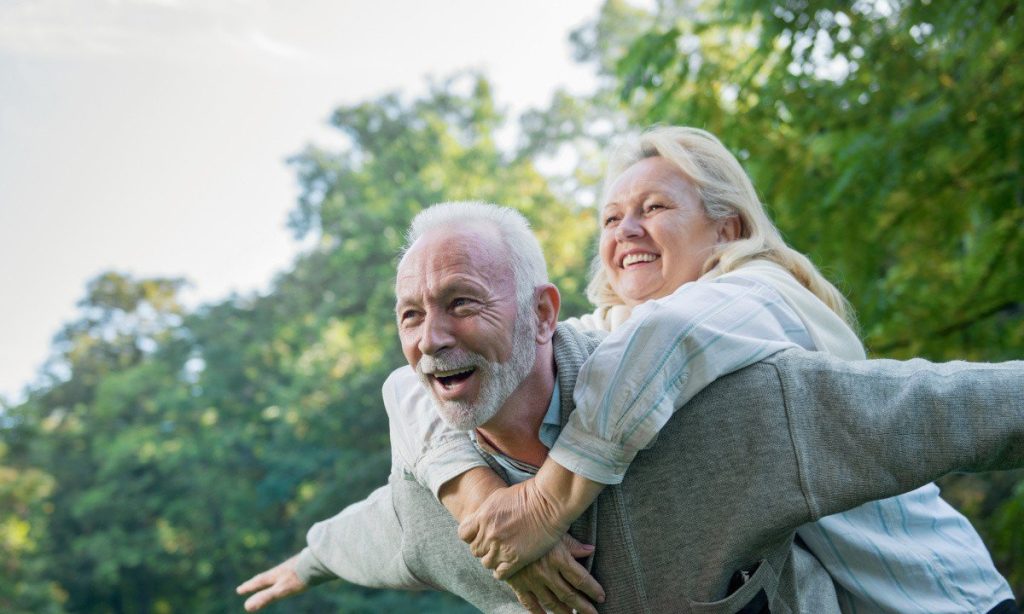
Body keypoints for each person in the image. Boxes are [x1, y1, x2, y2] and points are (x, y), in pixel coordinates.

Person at [238, 202, 1024, 613]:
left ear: (543, 314)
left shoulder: (722, 413)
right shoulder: (434, 499)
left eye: (462, 302)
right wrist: (311, 558)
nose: (431, 339)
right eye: (410, 315)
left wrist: (547, 504)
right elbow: (376, 532)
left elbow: (942, 408)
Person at [394, 128, 1019, 612]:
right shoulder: (617, 333)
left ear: (727, 228)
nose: (626, 229)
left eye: (654, 207)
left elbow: (668, 338)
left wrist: (544, 505)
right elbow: (413, 383)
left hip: (942, 600)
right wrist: (479, 500)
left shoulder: (764, 295)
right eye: (611, 217)